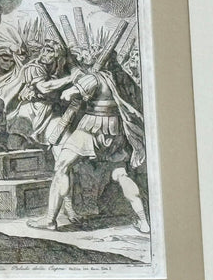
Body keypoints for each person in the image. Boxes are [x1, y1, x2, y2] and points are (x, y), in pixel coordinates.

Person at [28, 42, 148, 233]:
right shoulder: (118, 79)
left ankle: (50, 220)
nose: (85, 58)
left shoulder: (93, 78)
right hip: (115, 132)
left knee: (62, 167)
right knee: (120, 173)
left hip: (91, 128)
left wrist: (75, 85)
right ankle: (144, 221)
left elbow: (67, 95)